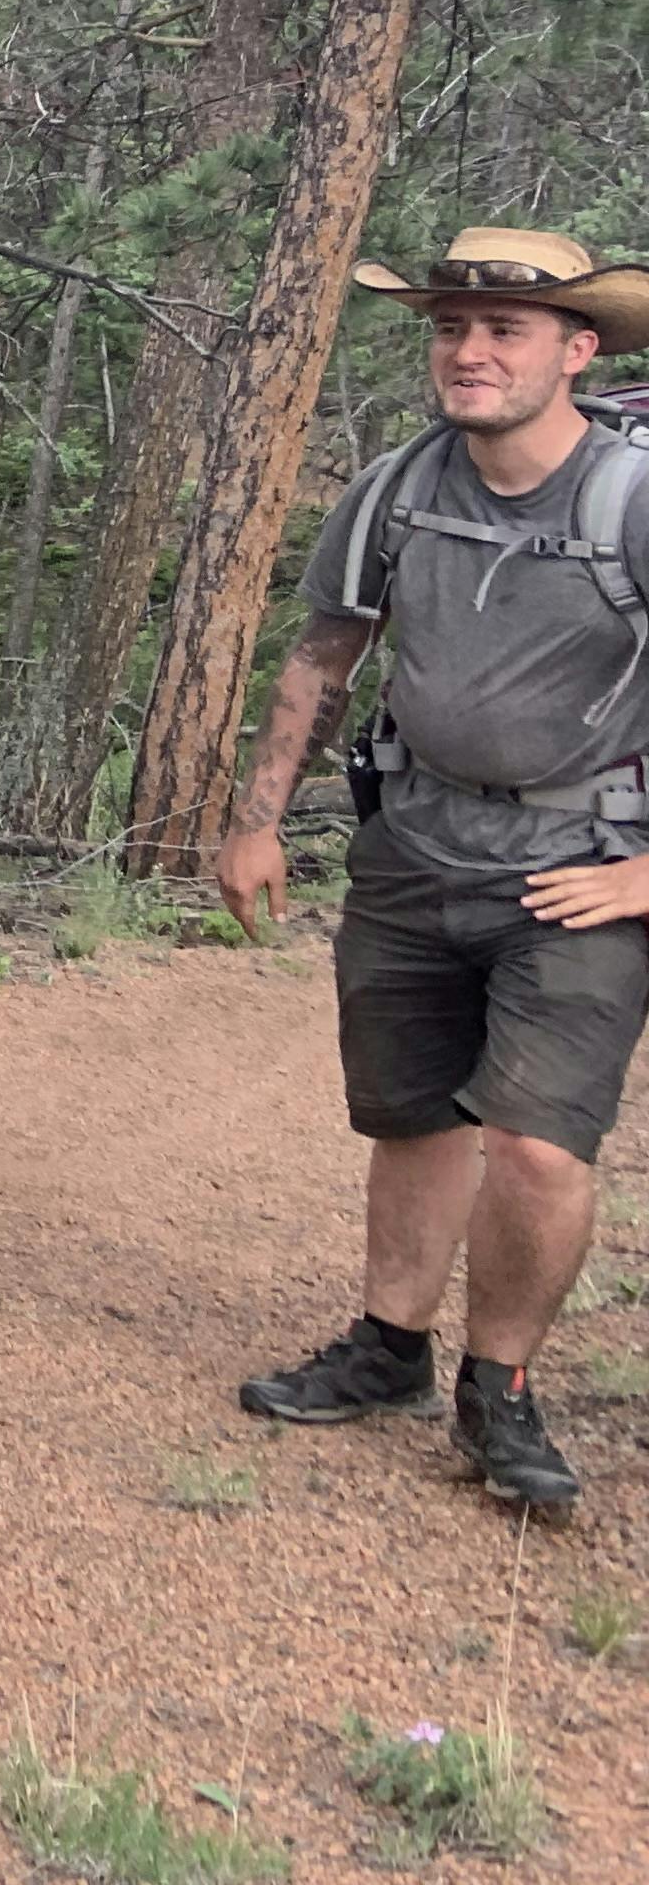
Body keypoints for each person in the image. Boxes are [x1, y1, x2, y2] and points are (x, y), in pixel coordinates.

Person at [222, 227, 649, 1515]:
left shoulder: (632, 498)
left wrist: (647, 880)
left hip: (583, 867)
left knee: (534, 1146)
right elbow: (322, 657)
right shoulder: (403, 486)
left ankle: (501, 1390)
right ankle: (387, 1350)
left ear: (578, 350)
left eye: (504, 332)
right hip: (414, 847)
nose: (470, 352)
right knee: (412, 1117)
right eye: (451, 328)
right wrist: (255, 818)